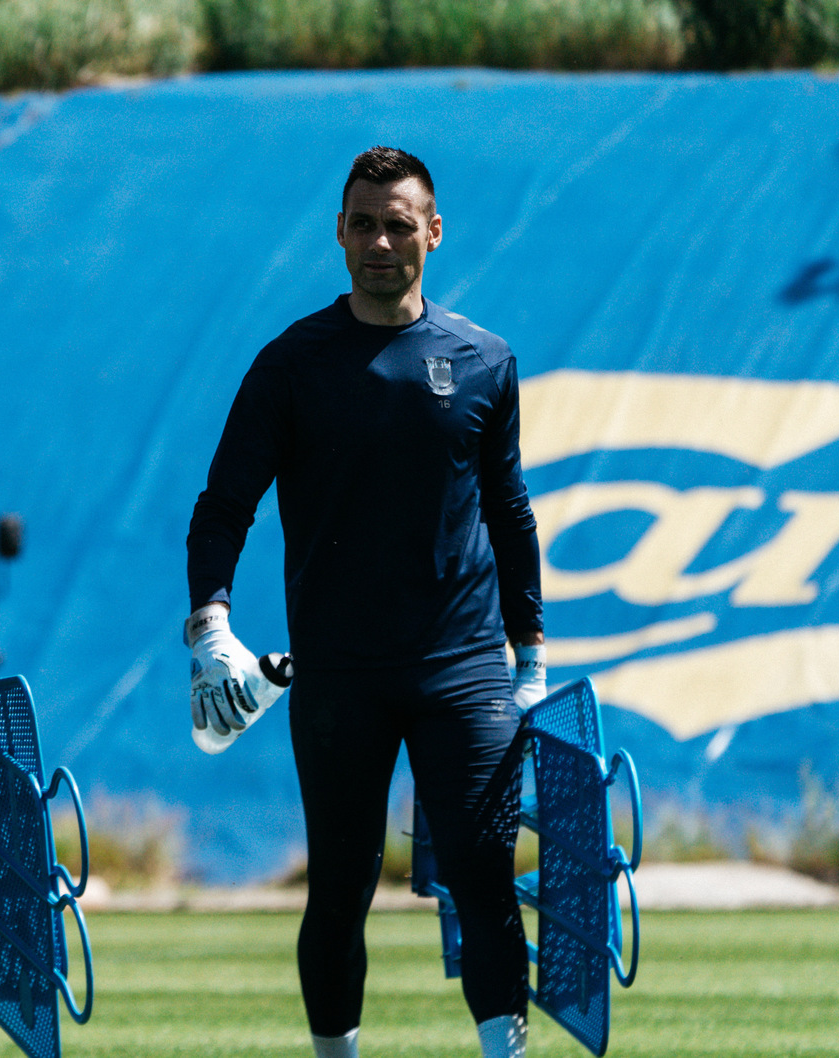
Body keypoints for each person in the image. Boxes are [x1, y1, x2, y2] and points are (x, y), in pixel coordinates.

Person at [183, 146, 547, 1058]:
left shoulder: (483, 360)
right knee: (340, 889)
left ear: (433, 232)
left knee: (482, 874)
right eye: (363, 225)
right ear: (338, 235)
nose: (380, 242)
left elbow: (509, 511)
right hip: (339, 672)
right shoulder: (290, 364)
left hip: (462, 669)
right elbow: (223, 505)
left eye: (398, 224)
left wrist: (531, 654)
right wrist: (210, 625)